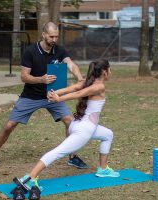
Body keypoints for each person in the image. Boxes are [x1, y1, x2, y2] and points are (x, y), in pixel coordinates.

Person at [0, 22, 88, 169]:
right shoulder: (30, 51)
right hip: (31, 96)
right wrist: (41, 79)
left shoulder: (59, 50)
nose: (54, 40)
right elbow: (24, 77)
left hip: (53, 95)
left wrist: (79, 78)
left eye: (56, 37)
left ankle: (72, 156)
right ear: (43, 35)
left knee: (70, 122)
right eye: (51, 36)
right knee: (9, 125)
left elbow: (71, 64)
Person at [15, 59, 120, 198]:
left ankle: (103, 169)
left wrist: (56, 93)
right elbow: (76, 93)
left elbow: (73, 89)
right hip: (84, 130)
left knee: (108, 134)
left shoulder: (87, 82)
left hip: (78, 124)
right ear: (104, 71)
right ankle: (30, 177)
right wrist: (57, 97)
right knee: (58, 152)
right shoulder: (99, 86)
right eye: (110, 69)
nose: (110, 72)